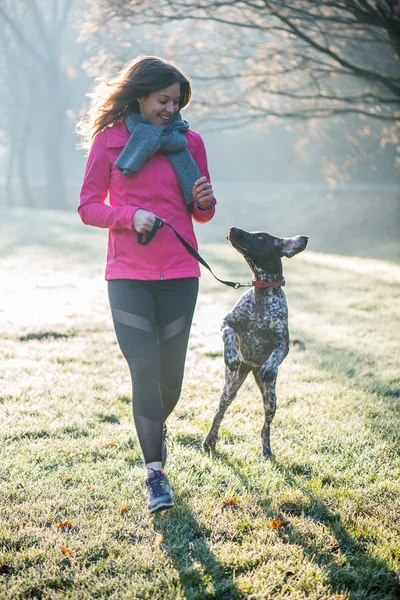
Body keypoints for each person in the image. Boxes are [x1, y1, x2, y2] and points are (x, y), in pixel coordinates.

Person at [76, 56, 216, 514]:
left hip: (179, 271)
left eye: (177, 102)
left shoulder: (189, 142)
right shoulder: (110, 141)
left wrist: (204, 201)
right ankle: (155, 474)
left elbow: (202, 213)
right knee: (145, 369)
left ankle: (153, 423)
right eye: (163, 100)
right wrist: (127, 215)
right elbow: (88, 206)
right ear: (141, 95)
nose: (171, 109)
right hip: (129, 274)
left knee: (169, 382)